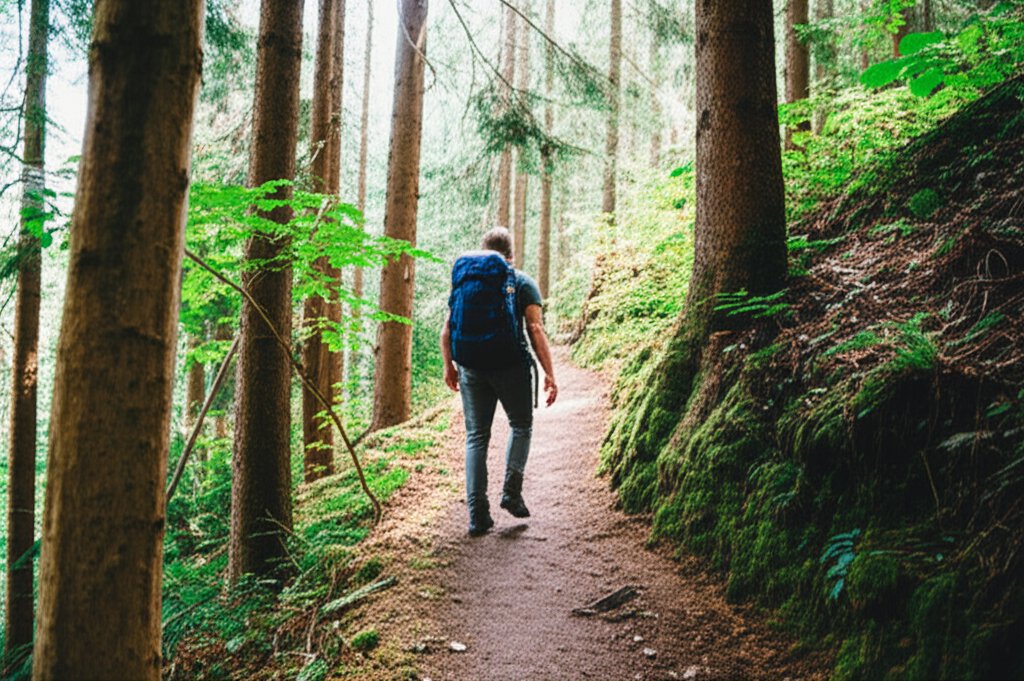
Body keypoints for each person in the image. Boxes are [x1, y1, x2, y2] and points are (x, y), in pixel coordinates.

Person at [440, 227, 558, 536]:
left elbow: (447, 329)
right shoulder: (521, 282)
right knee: (521, 426)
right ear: (511, 255)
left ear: (483, 251)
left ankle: (477, 516)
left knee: (476, 437)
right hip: (510, 366)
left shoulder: (466, 280)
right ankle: (511, 491)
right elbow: (535, 329)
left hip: (471, 368)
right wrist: (549, 373)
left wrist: (449, 366)